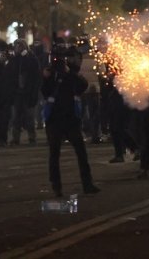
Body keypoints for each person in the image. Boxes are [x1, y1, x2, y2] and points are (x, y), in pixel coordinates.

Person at [40, 42, 100, 198]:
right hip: (57, 119)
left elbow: (82, 86)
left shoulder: (69, 74)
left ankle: (84, 184)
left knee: (78, 152)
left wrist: (69, 73)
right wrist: (48, 77)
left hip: (68, 119)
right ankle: (58, 186)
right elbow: (45, 93)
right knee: (57, 154)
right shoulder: (50, 74)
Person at [8, 39, 41, 145]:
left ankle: (32, 137)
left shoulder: (31, 59)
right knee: (16, 117)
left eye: (20, 46)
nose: (18, 48)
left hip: (28, 92)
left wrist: (34, 92)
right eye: (16, 46)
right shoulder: (14, 60)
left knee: (30, 117)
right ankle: (15, 138)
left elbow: (36, 77)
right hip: (17, 92)